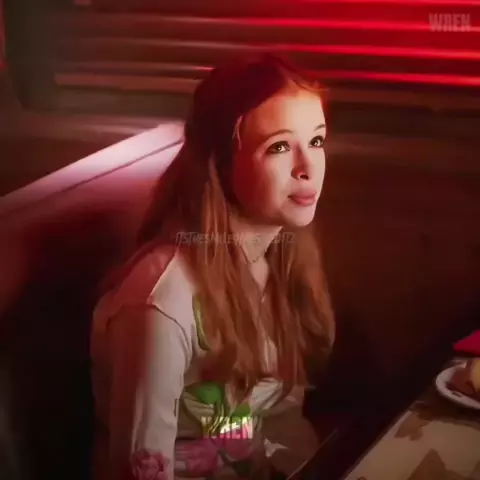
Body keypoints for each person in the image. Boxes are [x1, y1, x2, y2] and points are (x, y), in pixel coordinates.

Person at [90, 53, 335, 480]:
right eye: (279, 147)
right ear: (219, 165)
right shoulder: (162, 302)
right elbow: (139, 470)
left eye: (316, 140)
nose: (308, 167)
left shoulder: (283, 253)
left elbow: (277, 420)